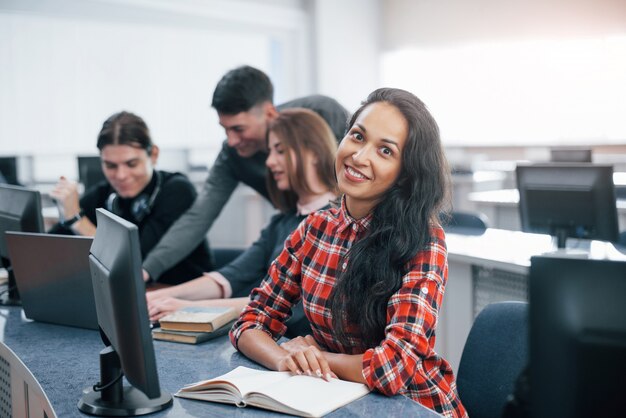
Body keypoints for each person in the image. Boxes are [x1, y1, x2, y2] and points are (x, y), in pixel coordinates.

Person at [229, 88, 468, 418]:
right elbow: (250, 321)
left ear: (406, 172)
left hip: (411, 407)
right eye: (357, 136)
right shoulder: (314, 228)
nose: (359, 156)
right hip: (334, 399)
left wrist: (317, 359)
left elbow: (393, 367)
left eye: (385, 150)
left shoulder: (424, 241)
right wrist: (285, 357)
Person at [141, 65, 349, 283]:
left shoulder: (321, 114)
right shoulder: (232, 156)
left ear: (269, 113)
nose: (231, 141)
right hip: (292, 240)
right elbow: (199, 217)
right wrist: (147, 270)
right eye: (225, 129)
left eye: (239, 129)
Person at [146, 108, 338, 337]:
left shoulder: (335, 225)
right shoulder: (282, 223)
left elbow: (290, 307)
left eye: (280, 151)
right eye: (270, 151)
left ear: (314, 152)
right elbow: (231, 276)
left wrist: (188, 307)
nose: (269, 161)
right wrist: (159, 298)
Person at [49, 111, 212, 285]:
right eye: (110, 165)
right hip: (133, 300)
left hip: (184, 301)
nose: (121, 175)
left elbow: (133, 265)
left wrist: (77, 220)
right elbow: (48, 248)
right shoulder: (103, 193)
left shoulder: (178, 191)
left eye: (131, 164)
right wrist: (66, 214)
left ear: (154, 155)